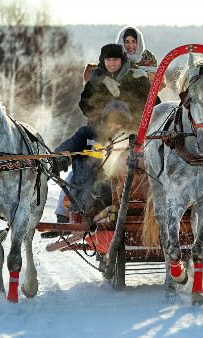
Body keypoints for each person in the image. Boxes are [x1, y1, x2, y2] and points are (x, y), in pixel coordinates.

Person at [44, 44, 150, 237]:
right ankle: (63, 218)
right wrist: (60, 156)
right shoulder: (89, 134)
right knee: (77, 178)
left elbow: (147, 106)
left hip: (124, 191)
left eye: (115, 60)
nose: (115, 127)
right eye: (108, 60)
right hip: (91, 191)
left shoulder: (132, 139)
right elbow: (72, 143)